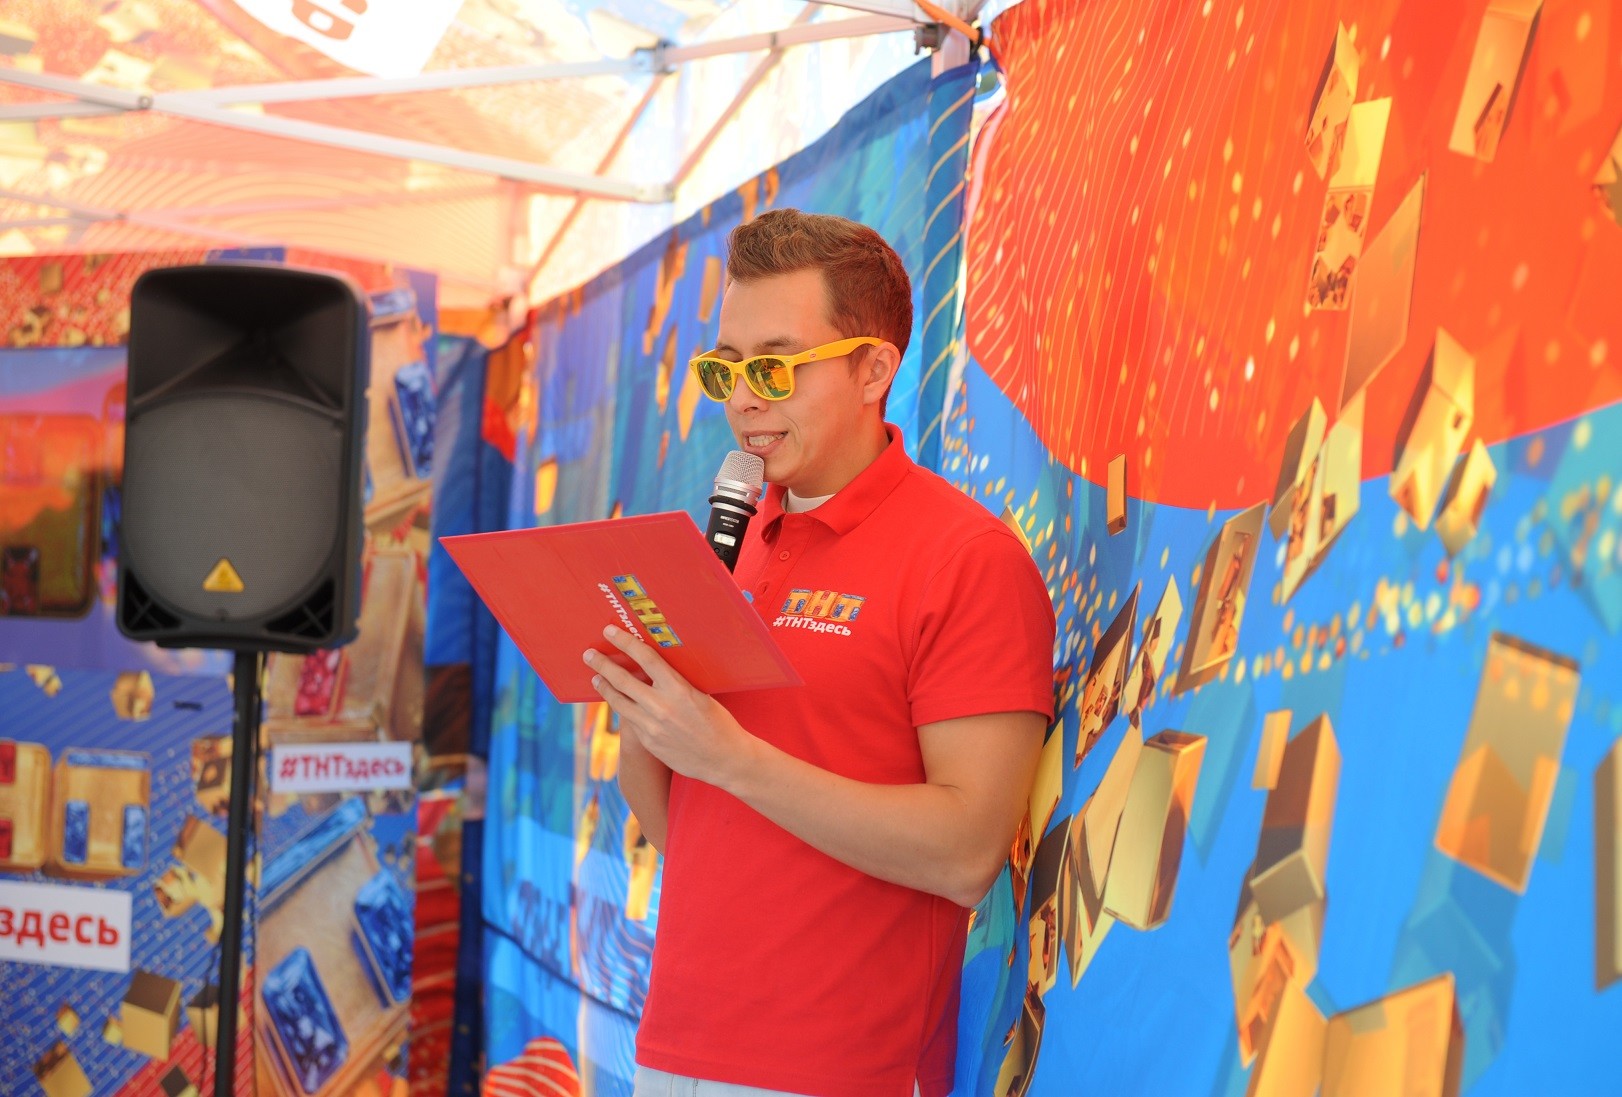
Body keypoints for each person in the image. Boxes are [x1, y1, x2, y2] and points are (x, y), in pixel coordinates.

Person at [585, 208, 1056, 1097]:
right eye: (725, 368)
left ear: (874, 369)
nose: (743, 399)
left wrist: (730, 755)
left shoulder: (967, 559)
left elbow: (966, 852)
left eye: (773, 366)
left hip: (839, 1069)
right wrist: (643, 711)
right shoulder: (727, 544)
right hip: (674, 1047)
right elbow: (685, 831)